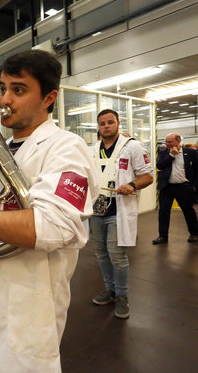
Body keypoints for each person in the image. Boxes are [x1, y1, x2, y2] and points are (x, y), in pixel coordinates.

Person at [0, 50, 100, 373]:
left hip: (30, 306)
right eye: (3, 88)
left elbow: (53, 227)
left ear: (48, 98)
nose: (5, 100)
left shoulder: (67, 149)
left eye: (19, 90)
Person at [89, 109, 153, 319]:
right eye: (102, 123)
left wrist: (132, 184)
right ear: (98, 127)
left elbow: (148, 176)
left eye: (110, 122)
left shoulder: (132, 146)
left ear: (118, 123)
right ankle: (110, 291)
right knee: (101, 254)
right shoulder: (92, 149)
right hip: (96, 212)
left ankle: (123, 296)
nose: (106, 126)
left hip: (119, 211)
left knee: (117, 255)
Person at [152, 132, 198, 244]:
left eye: (170, 141)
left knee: (188, 211)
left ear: (178, 141)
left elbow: (197, 171)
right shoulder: (163, 152)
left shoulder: (191, 153)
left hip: (184, 187)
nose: (167, 144)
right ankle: (163, 236)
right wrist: (171, 155)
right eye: (166, 141)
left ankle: (194, 233)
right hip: (166, 187)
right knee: (163, 212)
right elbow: (159, 165)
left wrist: (195, 187)